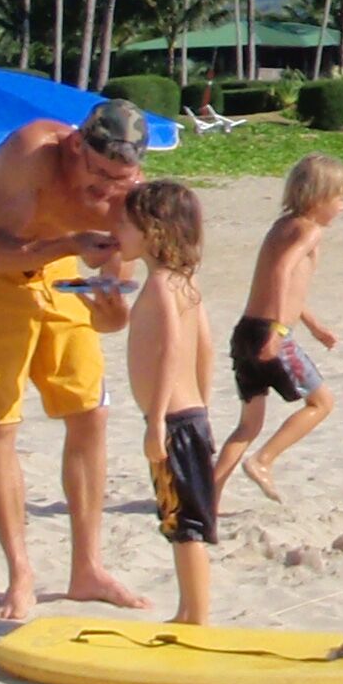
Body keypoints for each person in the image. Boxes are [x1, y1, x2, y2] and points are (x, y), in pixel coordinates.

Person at [0, 98, 151, 622]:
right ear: (76, 145)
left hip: (64, 268)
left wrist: (113, 311)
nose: (108, 190)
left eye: (122, 178)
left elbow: (113, 315)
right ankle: (20, 577)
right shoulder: (32, 152)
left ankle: (87, 569)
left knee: (90, 412)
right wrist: (66, 241)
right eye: (101, 173)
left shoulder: (127, 193)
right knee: (0, 422)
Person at [213, 153, 343, 506]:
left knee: (248, 426)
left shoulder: (281, 226)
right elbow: (282, 273)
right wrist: (276, 331)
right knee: (321, 403)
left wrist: (315, 326)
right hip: (271, 335)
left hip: (245, 331)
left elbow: (287, 286)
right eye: (340, 199)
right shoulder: (310, 231)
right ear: (319, 198)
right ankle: (263, 461)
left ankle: (206, 498)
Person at [122, 180, 230, 624]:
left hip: (171, 422)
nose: (117, 234)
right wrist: (203, 405)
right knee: (180, 520)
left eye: (124, 225)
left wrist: (156, 424)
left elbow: (171, 349)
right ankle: (188, 610)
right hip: (190, 417)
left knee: (184, 525)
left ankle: (196, 614)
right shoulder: (185, 284)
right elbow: (205, 348)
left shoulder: (162, 288)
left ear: (152, 231)